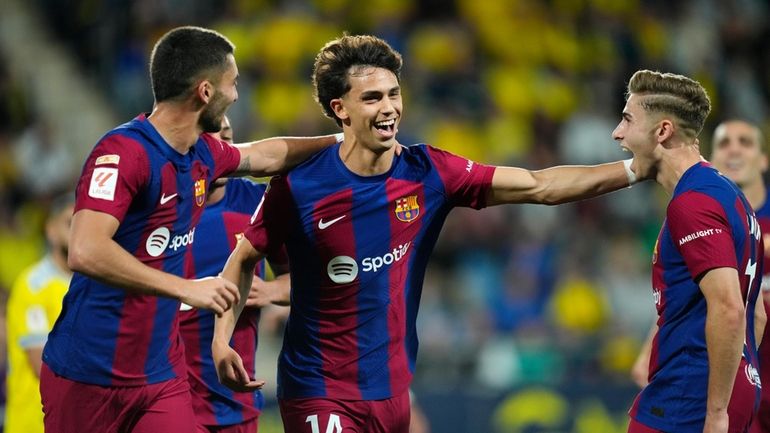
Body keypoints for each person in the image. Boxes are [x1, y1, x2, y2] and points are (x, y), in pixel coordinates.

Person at [211, 34, 644, 433]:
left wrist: (634, 169)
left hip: (395, 393)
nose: (389, 108)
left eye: (394, 94)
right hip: (319, 391)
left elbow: (539, 185)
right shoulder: (300, 186)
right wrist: (220, 339)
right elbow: (244, 258)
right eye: (372, 97)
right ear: (340, 108)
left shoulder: (429, 171)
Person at [39, 26, 337, 433]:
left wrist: (344, 139)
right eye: (232, 84)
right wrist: (186, 287)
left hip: (160, 376)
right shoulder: (123, 152)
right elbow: (85, 250)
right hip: (88, 373)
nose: (236, 95)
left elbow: (264, 155)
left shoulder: (202, 154)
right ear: (205, 92)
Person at [614, 72, 765, 433]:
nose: (617, 133)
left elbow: (729, 308)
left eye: (627, 119)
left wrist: (715, 411)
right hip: (733, 383)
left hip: (689, 393)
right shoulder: (733, 197)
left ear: (662, 131)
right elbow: (754, 313)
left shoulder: (692, 204)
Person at [180, 115, 290, 433]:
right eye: (212, 140)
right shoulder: (161, 209)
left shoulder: (257, 204)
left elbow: (307, 279)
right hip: (166, 399)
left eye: (228, 138)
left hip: (234, 405)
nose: (224, 148)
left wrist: (271, 291)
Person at [5, 193, 73, 433]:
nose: (77, 233)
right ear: (51, 230)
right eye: (69, 223)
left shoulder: (93, 285)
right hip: (32, 424)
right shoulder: (32, 286)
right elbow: (43, 365)